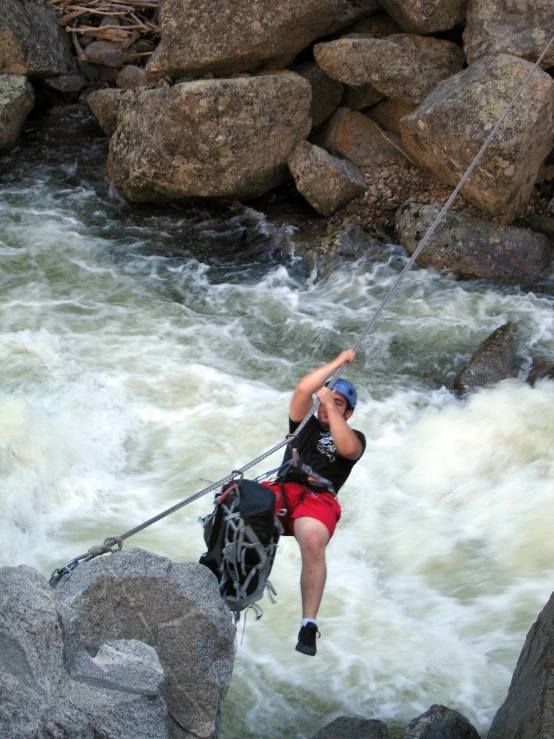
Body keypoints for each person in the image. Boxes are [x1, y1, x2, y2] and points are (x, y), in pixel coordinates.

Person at [263, 349, 366, 656]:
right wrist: (338, 363)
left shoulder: (354, 436)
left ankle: (308, 625)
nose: (327, 406)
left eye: (339, 403)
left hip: (318, 499)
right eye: (327, 399)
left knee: (311, 538)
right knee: (243, 508)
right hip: (286, 487)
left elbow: (347, 448)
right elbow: (302, 390)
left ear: (347, 413)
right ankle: (233, 575)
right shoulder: (304, 424)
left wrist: (330, 406)